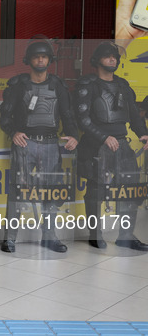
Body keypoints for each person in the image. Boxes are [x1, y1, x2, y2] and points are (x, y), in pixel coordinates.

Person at [0, 37, 78, 253]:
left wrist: (73, 135)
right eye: (37, 56)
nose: (41, 60)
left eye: (44, 56)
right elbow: (5, 117)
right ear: (29, 59)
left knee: (51, 192)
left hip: (51, 144)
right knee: (18, 190)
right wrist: (13, 132)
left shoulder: (58, 86)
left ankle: (50, 236)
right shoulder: (18, 85)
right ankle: (10, 237)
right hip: (25, 145)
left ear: (49, 59)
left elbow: (68, 115)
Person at [75, 41, 148, 250]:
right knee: (96, 191)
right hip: (97, 145)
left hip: (122, 145)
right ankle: (94, 234)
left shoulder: (123, 85)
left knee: (129, 190)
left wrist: (144, 134)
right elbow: (83, 119)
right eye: (108, 56)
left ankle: (126, 235)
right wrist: (103, 137)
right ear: (97, 60)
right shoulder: (87, 85)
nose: (112, 59)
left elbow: (134, 116)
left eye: (114, 56)